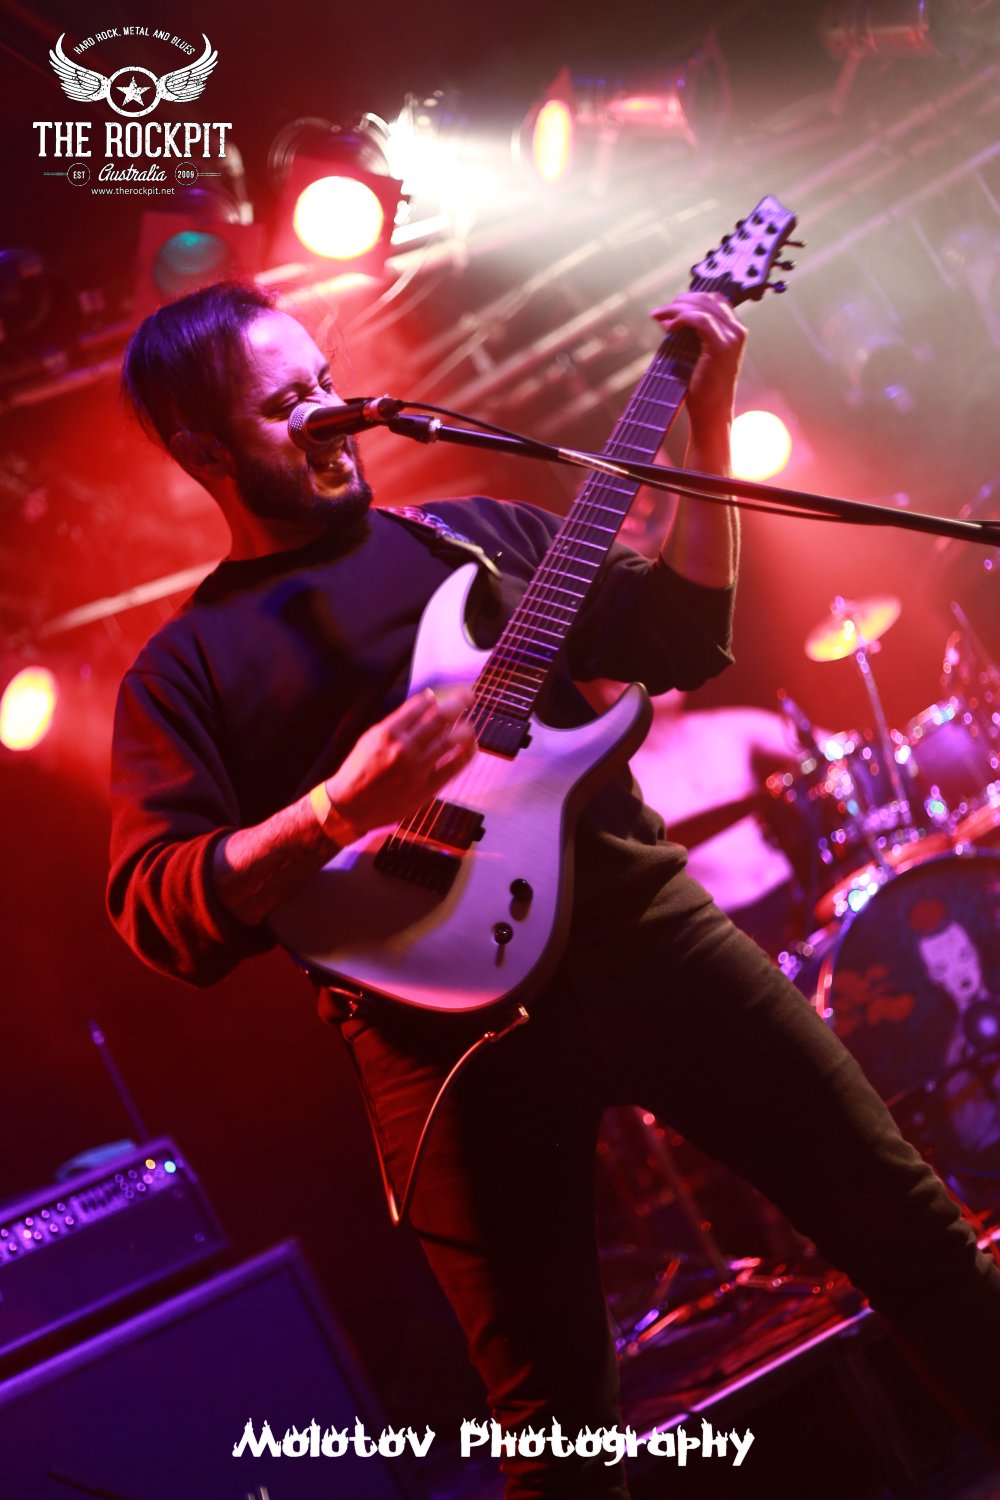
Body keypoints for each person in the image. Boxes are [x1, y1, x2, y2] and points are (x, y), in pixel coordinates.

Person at [107, 281, 1000, 1497]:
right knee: (553, 1428)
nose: (327, 415)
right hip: (439, 1046)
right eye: (284, 406)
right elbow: (159, 907)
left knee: (911, 1235)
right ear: (203, 451)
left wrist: (708, 416)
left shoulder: (469, 536)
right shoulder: (184, 670)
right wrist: (336, 809)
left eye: (326, 384)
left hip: (646, 934)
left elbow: (681, 632)